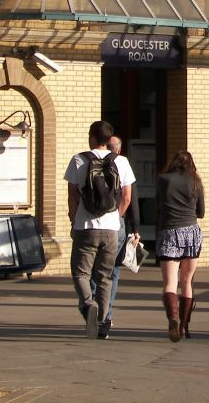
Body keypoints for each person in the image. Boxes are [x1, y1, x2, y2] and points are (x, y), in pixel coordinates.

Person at [65, 121, 136, 339]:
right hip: (112, 228)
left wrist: (72, 219)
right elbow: (126, 198)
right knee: (105, 277)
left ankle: (88, 304)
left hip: (85, 227)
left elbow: (73, 195)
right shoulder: (121, 161)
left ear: (92, 137)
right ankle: (103, 322)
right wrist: (116, 217)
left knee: (81, 273)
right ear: (109, 139)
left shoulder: (79, 159)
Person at [89, 134, 141, 339]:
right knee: (113, 273)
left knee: (94, 271)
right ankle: (106, 316)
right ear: (117, 150)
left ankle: (93, 309)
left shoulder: (90, 163)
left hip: (93, 224)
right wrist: (134, 226)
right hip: (117, 225)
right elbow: (130, 198)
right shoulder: (122, 164)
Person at [156, 150, 205, 342]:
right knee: (187, 281)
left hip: (169, 232)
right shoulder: (196, 182)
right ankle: (185, 327)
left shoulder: (163, 180)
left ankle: (173, 318)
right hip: (191, 233)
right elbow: (201, 212)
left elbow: (160, 205)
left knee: (169, 282)